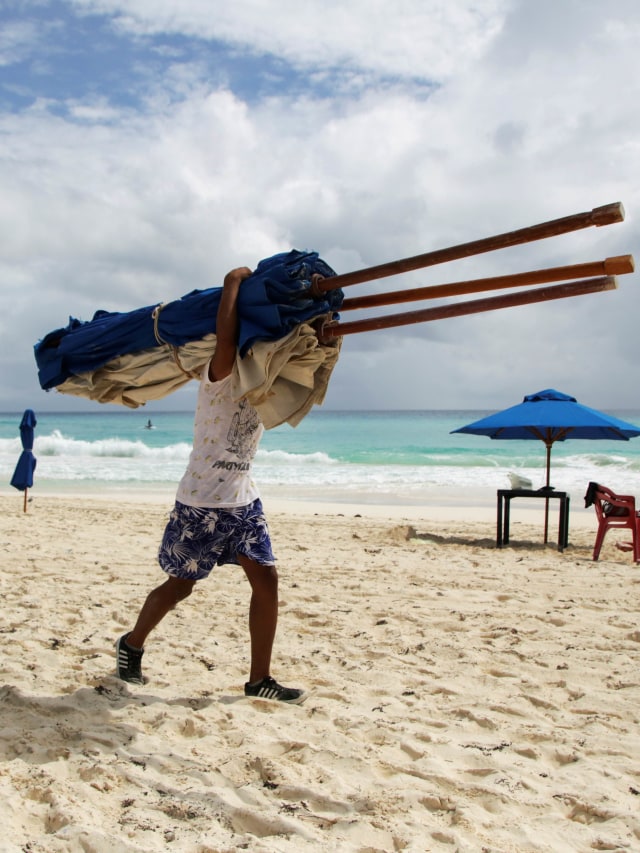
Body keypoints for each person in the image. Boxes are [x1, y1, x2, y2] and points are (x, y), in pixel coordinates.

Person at [115, 266, 306, 704]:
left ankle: (259, 679)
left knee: (268, 581)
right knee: (180, 585)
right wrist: (233, 283)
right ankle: (133, 643)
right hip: (200, 501)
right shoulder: (220, 374)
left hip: (242, 500)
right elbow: (226, 337)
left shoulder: (264, 386)